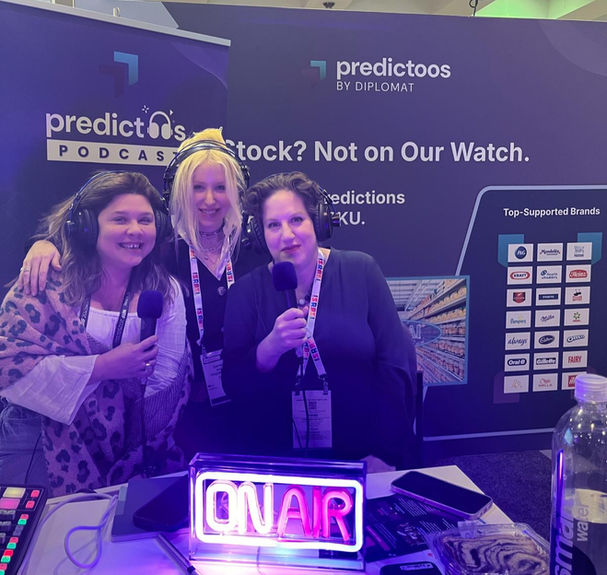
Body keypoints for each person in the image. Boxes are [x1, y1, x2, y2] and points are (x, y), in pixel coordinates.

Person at [17, 129, 268, 459]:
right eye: (198, 188)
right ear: (178, 191)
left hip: (248, 405)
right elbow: (92, 245)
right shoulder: (154, 246)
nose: (210, 200)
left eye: (220, 187)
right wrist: (44, 243)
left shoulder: (255, 248)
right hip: (178, 415)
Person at [0, 172, 189, 495]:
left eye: (145, 220)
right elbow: (10, 366)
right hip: (39, 435)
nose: (135, 230)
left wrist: (135, 441)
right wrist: (102, 368)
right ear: (87, 226)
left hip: (130, 442)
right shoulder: (45, 279)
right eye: (120, 219)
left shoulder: (165, 290)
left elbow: (166, 379)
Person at [222, 171, 417, 468]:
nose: (287, 235)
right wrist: (269, 348)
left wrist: (383, 453)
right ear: (260, 235)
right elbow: (233, 383)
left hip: (362, 453)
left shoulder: (361, 271)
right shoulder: (245, 292)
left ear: (318, 221)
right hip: (276, 458)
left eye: (296, 220)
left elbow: (394, 366)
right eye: (273, 225)